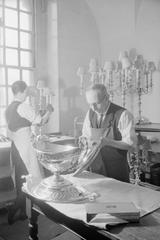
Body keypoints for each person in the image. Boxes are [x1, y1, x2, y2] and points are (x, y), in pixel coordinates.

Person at [5, 80, 54, 224]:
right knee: (32, 177)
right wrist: (49, 111)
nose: (26, 94)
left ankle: (22, 212)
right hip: (25, 145)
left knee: (22, 178)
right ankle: (16, 209)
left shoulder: (8, 109)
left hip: (15, 146)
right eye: (25, 91)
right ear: (20, 91)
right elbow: (40, 121)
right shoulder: (23, 106)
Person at [81, 83, 137, 183]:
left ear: (107, 97)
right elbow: (86, 136)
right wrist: (84, 141)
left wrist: (108, 142)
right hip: (96, 169)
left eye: (96, 103)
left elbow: (131, 144)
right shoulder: (90, 113)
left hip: (116, 169)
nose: (93, 108)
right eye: (90, 104)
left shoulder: (123, 114)